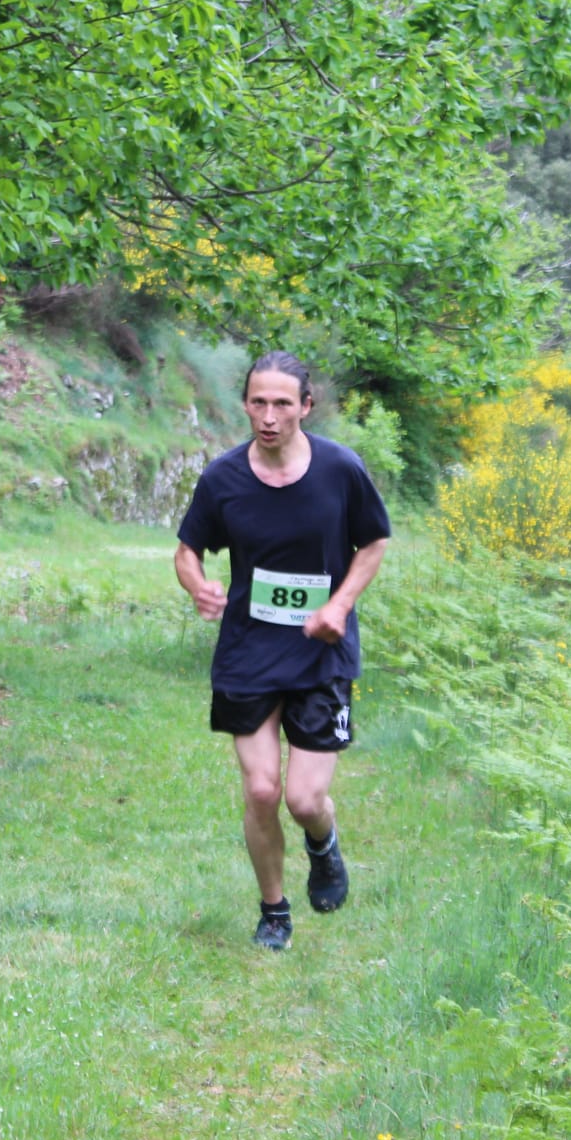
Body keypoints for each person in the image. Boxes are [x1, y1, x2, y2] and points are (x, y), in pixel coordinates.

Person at [174, 352, 391, 951]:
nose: (268, 416)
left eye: (282, 404)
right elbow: (188, 550)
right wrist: (198, 586)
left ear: (306, 406)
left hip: (321, 651)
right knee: (263, 790)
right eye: (258, 403)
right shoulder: (223, 478)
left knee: (303, 798)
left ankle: (323, 844)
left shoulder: (340, 469)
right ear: (245, 404)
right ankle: (274, 911)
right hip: (248, 652)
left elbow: (373, 543)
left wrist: (339, 605)